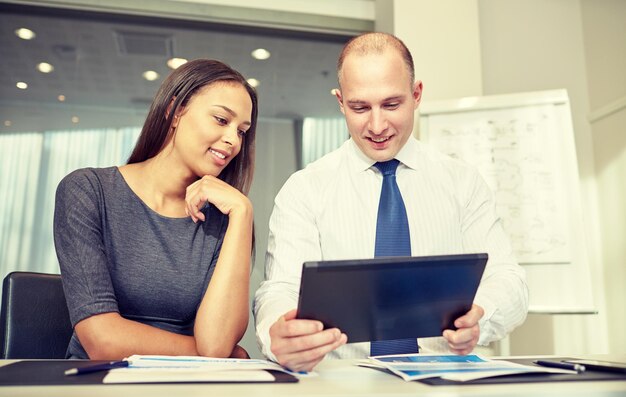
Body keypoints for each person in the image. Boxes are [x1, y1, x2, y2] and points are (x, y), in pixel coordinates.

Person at [254, 32, 528, 372]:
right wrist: (277, 332)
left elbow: (509, 279)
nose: (377, 125)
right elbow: (280, 289)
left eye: (391, 104)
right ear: (340, 102)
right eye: (359, 107)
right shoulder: (304, 189)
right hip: (341, 384)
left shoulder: (462, 182)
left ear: (416, 95)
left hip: (444, 380)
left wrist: (481, 315)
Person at [54, 59, 257, 360]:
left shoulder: (225, 217)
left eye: (242, 131)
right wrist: (211, 356)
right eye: (220, 120)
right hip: (100, 382)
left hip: (187, 387)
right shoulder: (88, 190)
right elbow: (102, 341)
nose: (232, 140)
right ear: (175, 112)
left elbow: (217, 342)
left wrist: (242, 212)